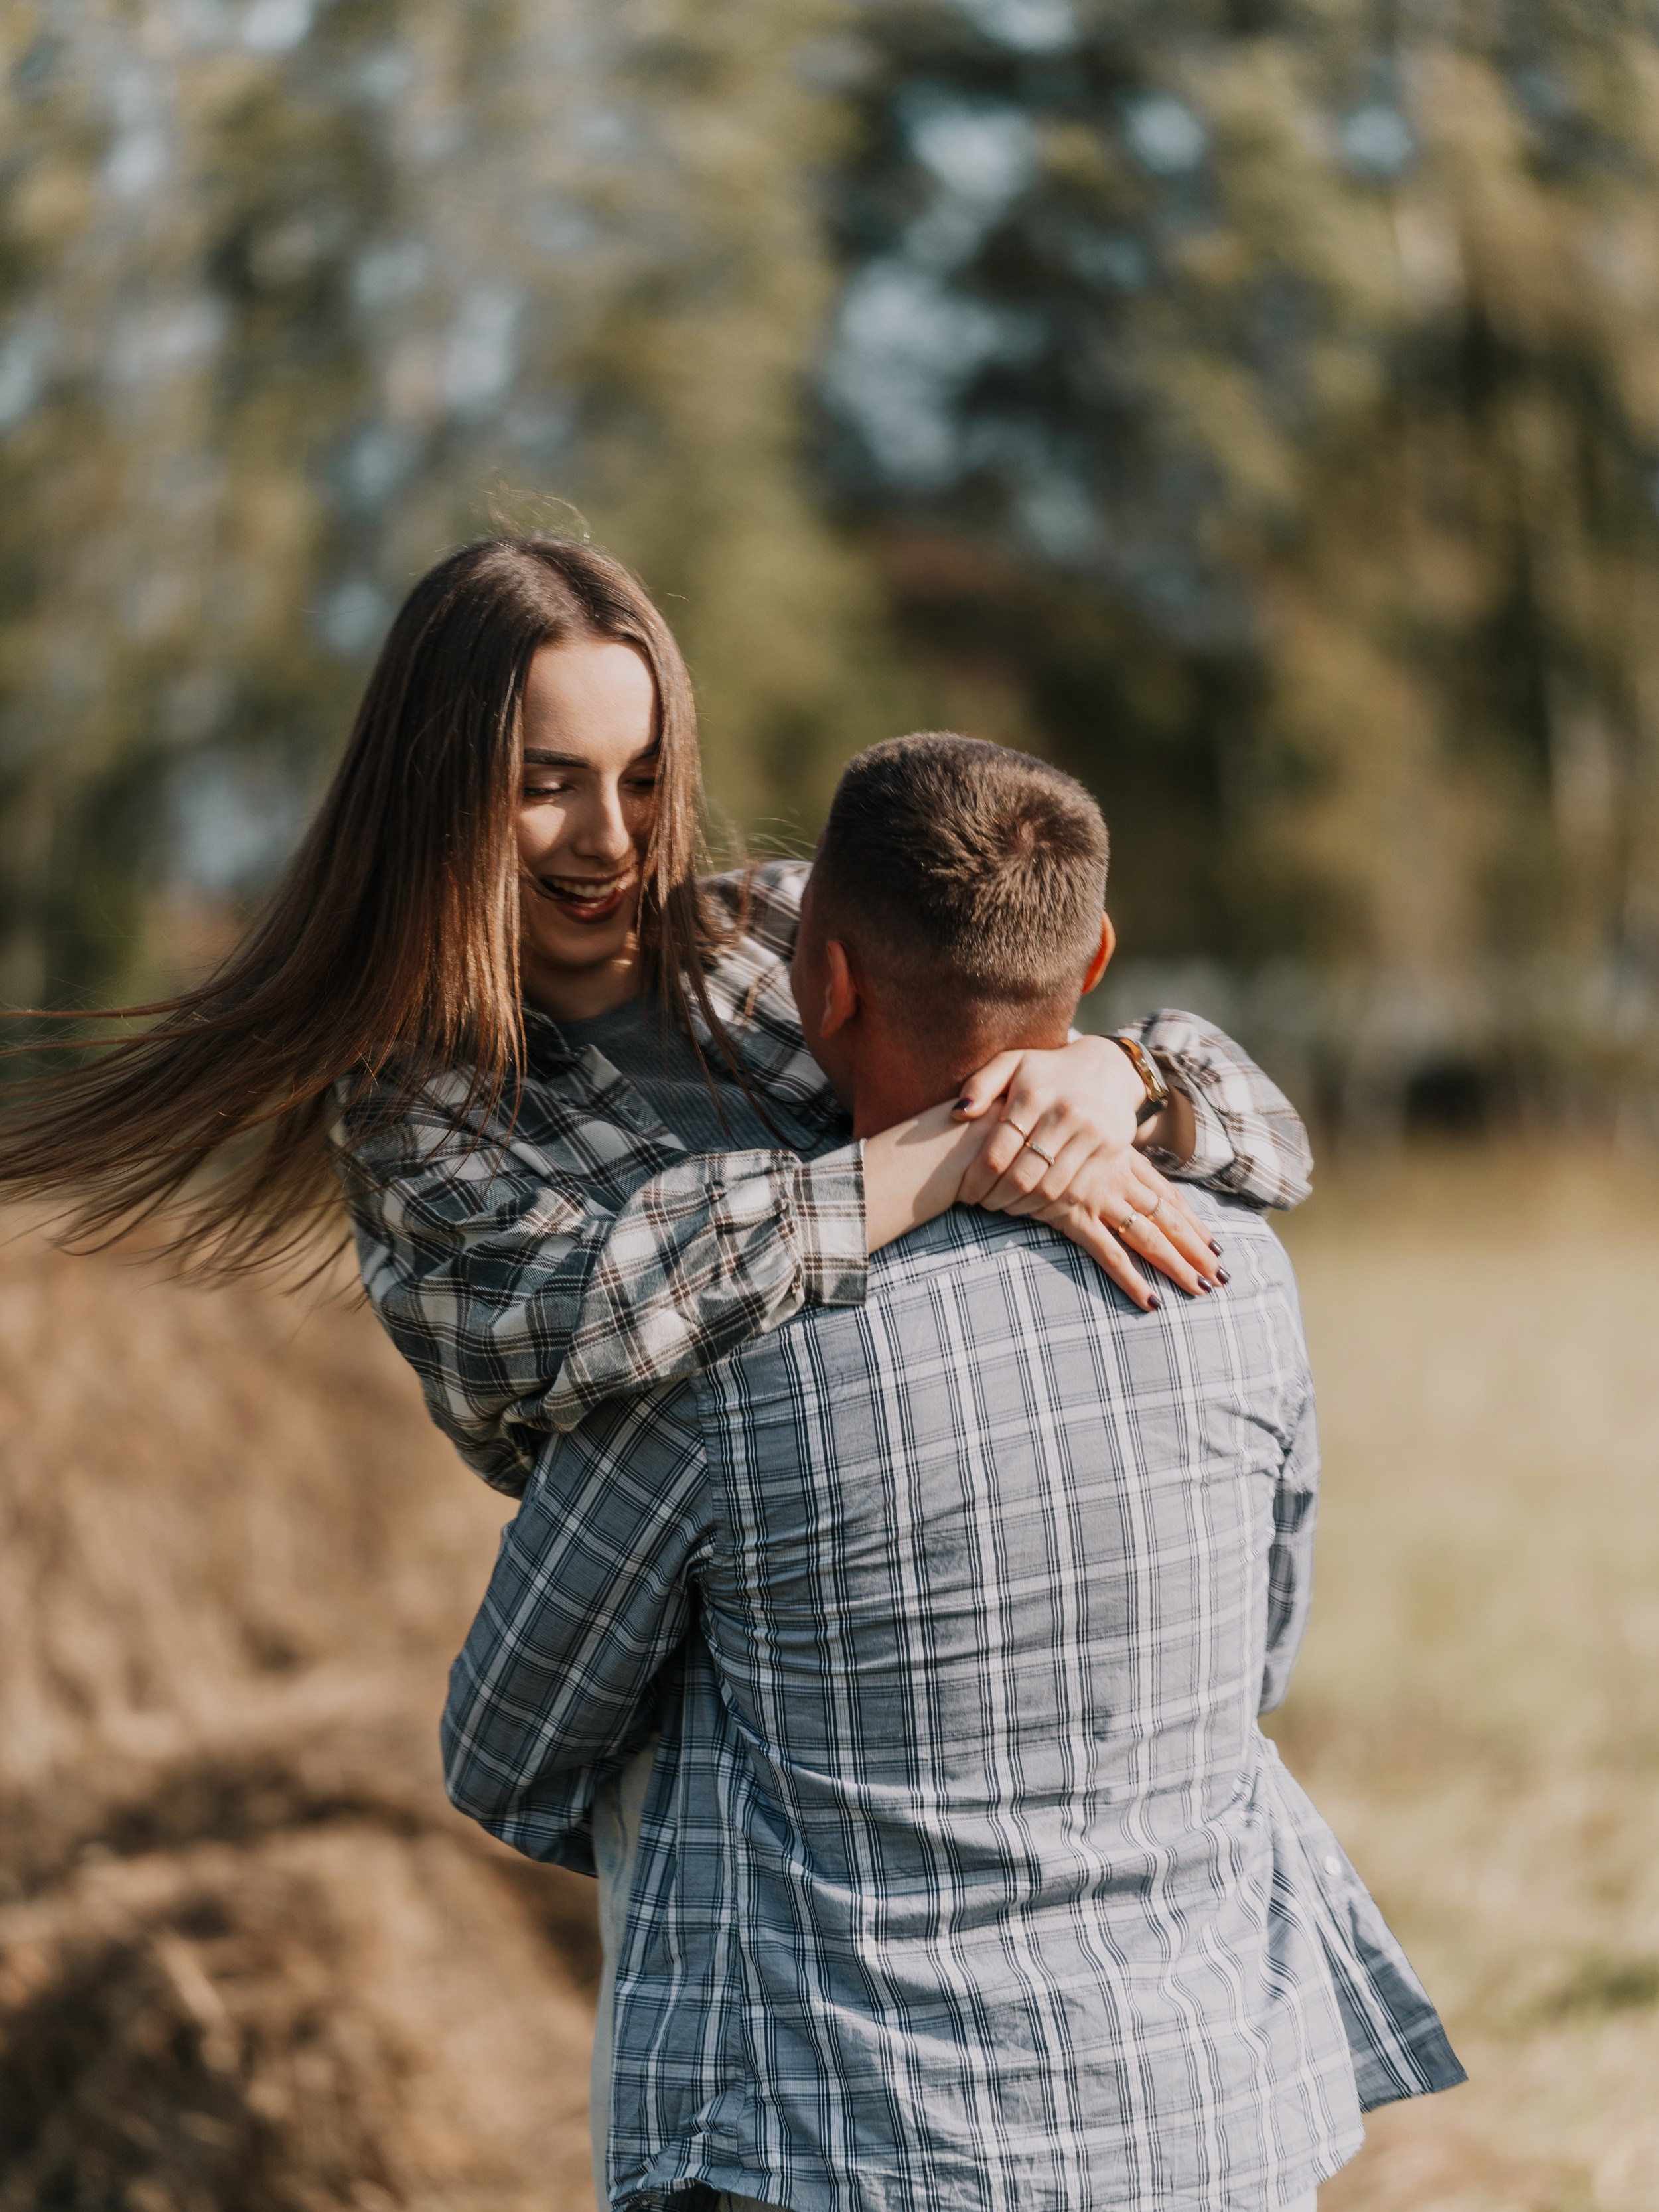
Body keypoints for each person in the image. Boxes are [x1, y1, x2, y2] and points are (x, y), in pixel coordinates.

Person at [442, 734, 1464, 2212]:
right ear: (1096, 955)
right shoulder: (1242, 1276)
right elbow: (1257, 1653)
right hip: (1215, 2132)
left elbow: (501, 1744)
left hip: (839, 2149)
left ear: (826, 982)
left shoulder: (729, 1354)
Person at [0, 538, 1309, 1488]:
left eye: (641, 776)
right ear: (436, 788)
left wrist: (1115, 1077)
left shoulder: (789, 927)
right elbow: (578, 1316)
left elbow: (1270, 1143)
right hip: (723, 1720)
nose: (609, 835)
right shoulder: (414, 1113)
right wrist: (940, 1157)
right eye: (546, 783)